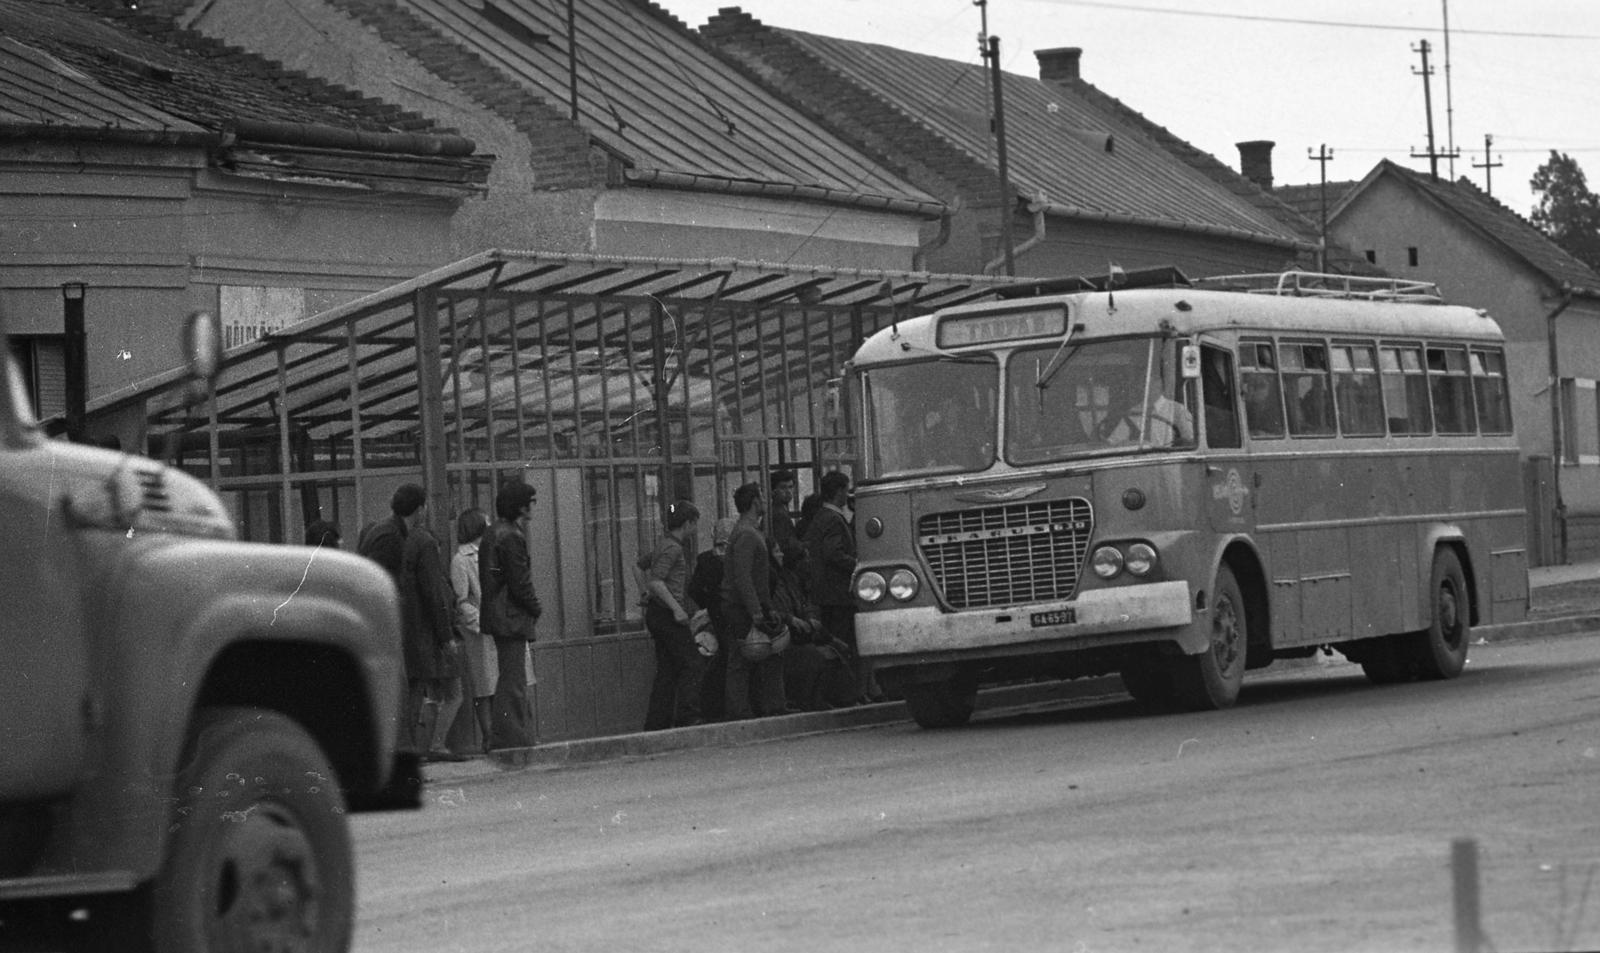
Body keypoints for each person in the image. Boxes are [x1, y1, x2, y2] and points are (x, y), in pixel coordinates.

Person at [357, 485, 462, 760]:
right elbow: (381, 584)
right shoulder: (392, 538)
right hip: (388, 627)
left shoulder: (385, 532)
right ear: (420, 510)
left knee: (405, 691)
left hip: (385, 625)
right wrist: (445, 635)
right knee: (404, 693)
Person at [479, 480, 541, 749]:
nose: (533, 506)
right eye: (531, 501)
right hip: (511, 616)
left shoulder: (493, 533)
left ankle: (510, 735)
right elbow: (520, 581)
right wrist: (535, 607)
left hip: (496, 614)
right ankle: (512, 737)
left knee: (508, 676)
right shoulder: (512, 536)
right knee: (514, 680)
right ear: (520, 505)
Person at [805, 470, 874, 703]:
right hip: (839, 594)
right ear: (837, 492)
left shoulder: (820, 517)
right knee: (845, 644)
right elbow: (833, 553)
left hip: (825, 593)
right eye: (845, 490)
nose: (848, 494)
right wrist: (857, 565)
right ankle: (848, 693)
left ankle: (839, 693)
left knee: (835, 643)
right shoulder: (834, 519)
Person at [721, 482, 786, 719]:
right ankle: (740, 711)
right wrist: (757, 610)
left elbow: (756, 577)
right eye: (762, 497)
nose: (765, 501)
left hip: (748, 605)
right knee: (741, 659)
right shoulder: (747, 534)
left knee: (757, 656)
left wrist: (766, 606)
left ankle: (761, 707)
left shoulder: (748, 532)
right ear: (755, 502)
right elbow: (743, 576)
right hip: (742, 607)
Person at [641, 500, 706, 730]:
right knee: (692, 662)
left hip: (657, 613)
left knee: (667, 670)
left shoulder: (663, 544)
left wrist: (644, 593)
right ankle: (688, 716)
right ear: (688, 523)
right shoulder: (674, 548)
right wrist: (677, 609)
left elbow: (641, 567)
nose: (695, 529)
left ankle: (657, 723)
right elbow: (657, 581)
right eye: (694, 524)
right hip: (668, 614)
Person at [773, 539, 853, 711]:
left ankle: (836, 696)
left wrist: (809, 617)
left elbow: (805, 603)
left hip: (800, 630)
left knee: (836, 651)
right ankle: (813, 700)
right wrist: (795, 619)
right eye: (776, 551)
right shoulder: (775, 582)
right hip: (789, 636)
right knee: (817, 654)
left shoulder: (792, 580)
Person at [450, 507, 495, 754]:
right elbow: (461, 600)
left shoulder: (491, 551)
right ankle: (489, 736)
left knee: (496, 684)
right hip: (479, 631)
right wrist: (480, 622)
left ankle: (498, 733)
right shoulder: (461, 560)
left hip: (495, 627)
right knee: (483, 686)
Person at [687, 517, 735, 720]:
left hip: (713, 613)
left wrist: (708, 604)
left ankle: (712, 709)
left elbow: (694, 590)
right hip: (732, 614)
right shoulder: (736, 557)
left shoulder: (705, 559)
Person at [768, 469, 798, 551]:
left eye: (791, 487)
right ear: (773, 491)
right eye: (783, 487)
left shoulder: (779, 510)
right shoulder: (779, 515)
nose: (788, 491)